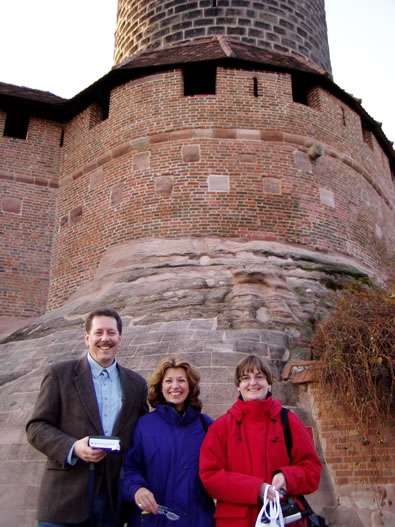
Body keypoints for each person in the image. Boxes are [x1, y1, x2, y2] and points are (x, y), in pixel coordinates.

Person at [26, 308, 148, 527]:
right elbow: (36, 427)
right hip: (64, 499)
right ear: (87, 338)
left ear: (120, 338)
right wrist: (73, 447)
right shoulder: (59, 374)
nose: (105, 339)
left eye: (111, 333)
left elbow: (140, 436)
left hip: (111, 501)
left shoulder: (136, 384)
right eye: (98, 332)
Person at [199, 354, 322, 527]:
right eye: (245, 378)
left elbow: (312, 470)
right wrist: (256, 489)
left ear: (269, 383)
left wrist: (286, 477)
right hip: (237, 521)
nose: (253, 383)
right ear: (238, 386)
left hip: (283, 518)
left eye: (259, 377)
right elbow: (209, 477)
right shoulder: (221, 427)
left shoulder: (289, 421)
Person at [122, 356, 215, 526]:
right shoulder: (144, 425)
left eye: (181, 380)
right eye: (168, 381)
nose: (175, 386)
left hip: (197, 520)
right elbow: (129, 468)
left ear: (190, 386)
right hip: (155, 520)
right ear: (160, 386)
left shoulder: (206, 425)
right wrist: (137, 489)